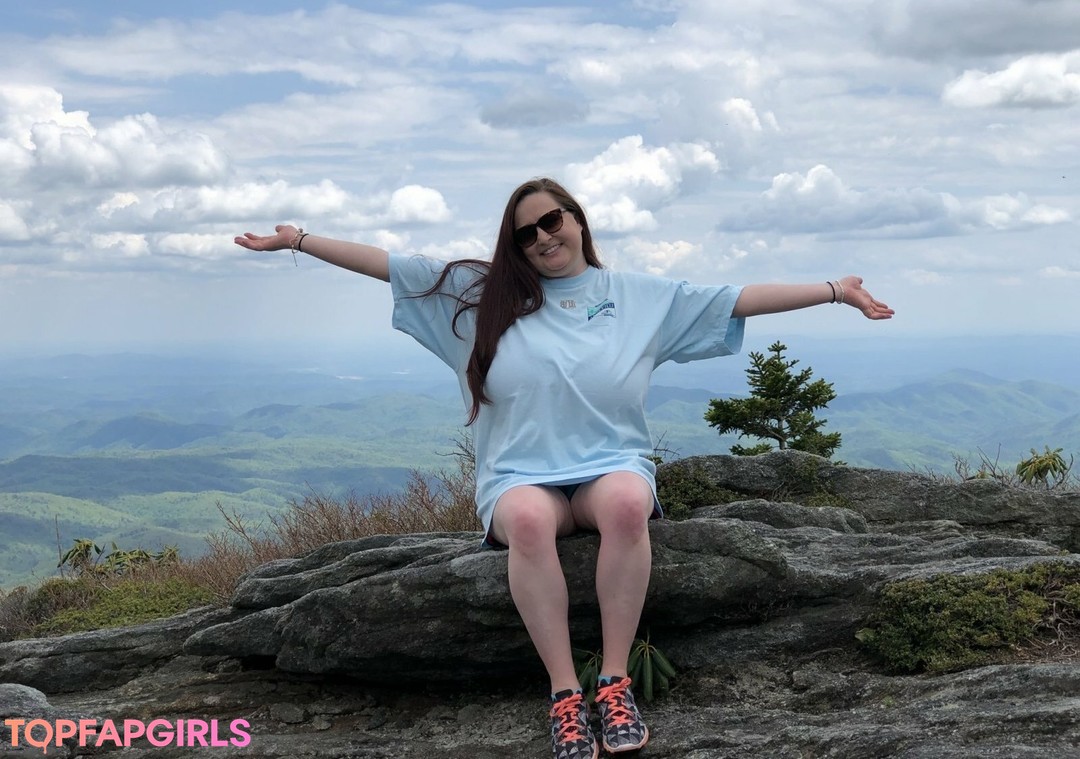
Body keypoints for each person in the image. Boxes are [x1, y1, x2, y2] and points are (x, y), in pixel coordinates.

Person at [235, 176, 894, 759]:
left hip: (611, 465)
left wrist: (835, 291)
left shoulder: (636, 295)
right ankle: (564, 693)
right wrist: (300, 241)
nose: (543, 237)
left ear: (577, 219)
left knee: (629, 505)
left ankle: (614, 681)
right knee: (526, 521)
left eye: (552, 220)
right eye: (525, 233)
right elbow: (389, 265)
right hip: (520, 476)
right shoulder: (478, 296)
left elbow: (735, 298)